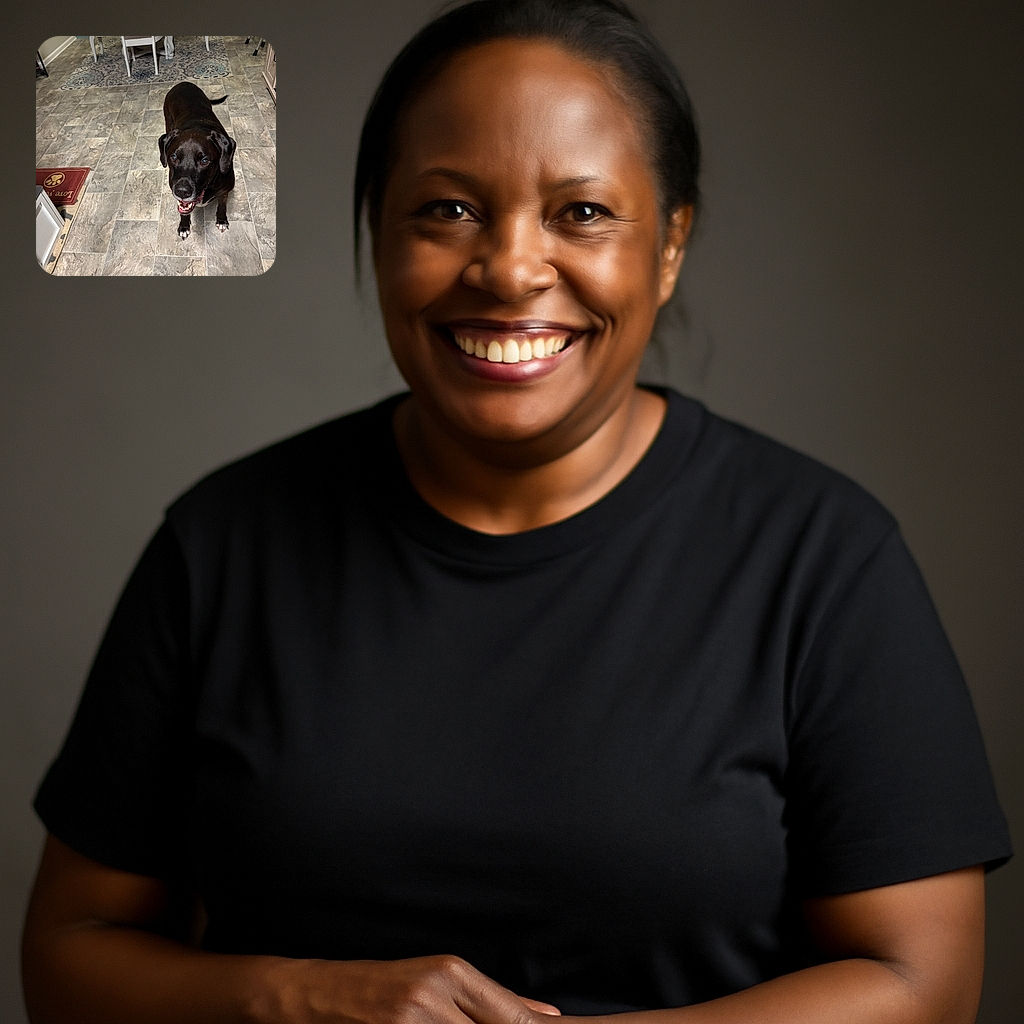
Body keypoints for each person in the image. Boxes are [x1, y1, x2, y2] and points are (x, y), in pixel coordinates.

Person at [22, 2, 1011, 1023]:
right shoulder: (222, 546)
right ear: (377, 230)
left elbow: (922, 983)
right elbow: (68, 957)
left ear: (669, 244)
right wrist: (310, 997)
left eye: (581, 212)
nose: (507, 269)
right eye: (447, 210)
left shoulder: (823, 560)